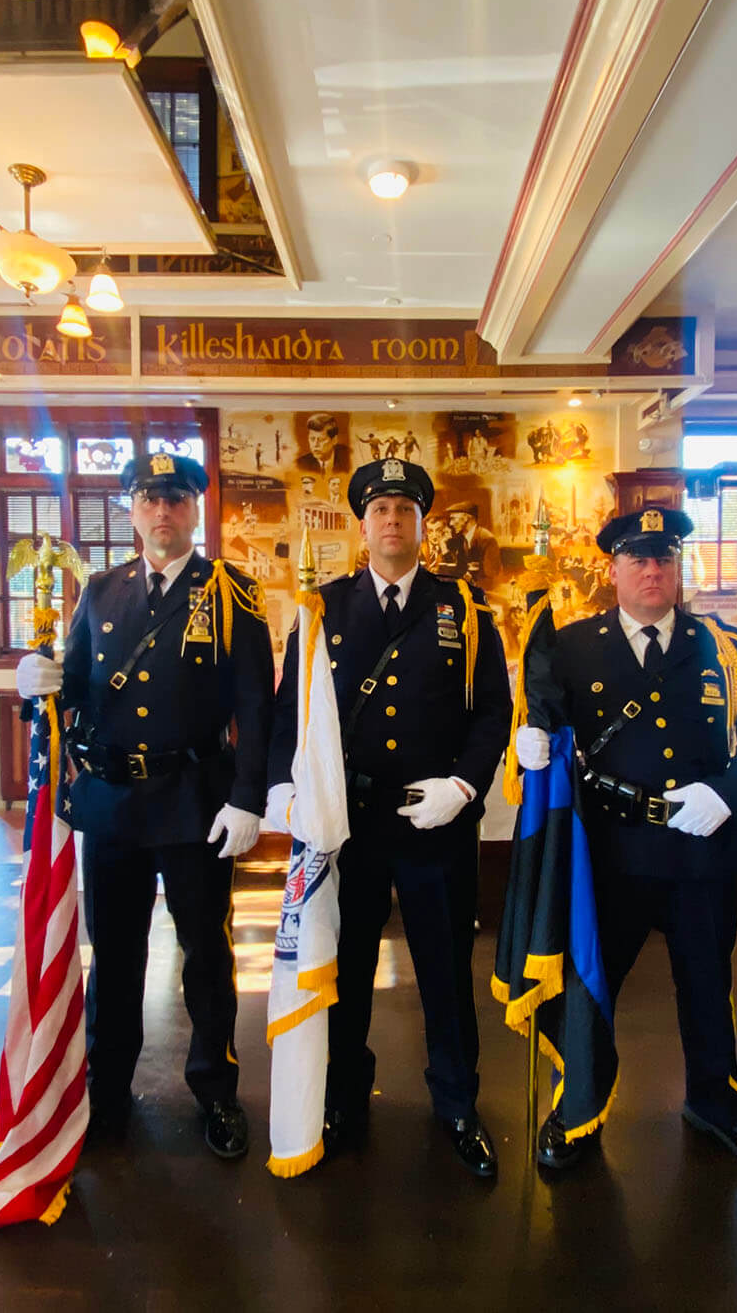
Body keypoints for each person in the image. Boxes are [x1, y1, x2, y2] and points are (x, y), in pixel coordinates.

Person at [512, 508, 737, 1173]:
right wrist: (528, 745)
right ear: (613, 570)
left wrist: (727, 794)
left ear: (677, 568)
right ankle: (578, 1106)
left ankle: (716, 1103)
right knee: (590, 986)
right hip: (610, 852)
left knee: (706, 984)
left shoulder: (722, 648)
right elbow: (546, 725)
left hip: (700, 850)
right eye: (638, 559)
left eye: (664, 558)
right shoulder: (574, 648)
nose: (653, 570)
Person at [17, 453, 272, 1160]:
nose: (162, 511)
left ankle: (215, 1089)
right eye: (149, 499)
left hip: (194, 802)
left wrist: (248, 798)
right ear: (132, 511)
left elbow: (256, 703)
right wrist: (39, 686)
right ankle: (108, 1090)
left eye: (176, 499)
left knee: (206, 956)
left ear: (195, 510)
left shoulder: (232, 593)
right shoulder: (99, 593)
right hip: (113, 805)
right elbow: (72, 694)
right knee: (116, 955)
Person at [264, 457, 512, 1178]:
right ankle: (343, 1099)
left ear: (422, 523)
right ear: (362, 524)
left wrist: (465, 787)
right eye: (380, 511)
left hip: (436, 827)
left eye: (405, 510)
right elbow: (290, 714)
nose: (393, 522)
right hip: (352, 826)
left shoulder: (463, 610)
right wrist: (284, 788)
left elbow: (492, 710)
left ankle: (458, 1104)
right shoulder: (323, 610)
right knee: (347, 968)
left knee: (444, 973)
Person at [443, 502, 503, 589]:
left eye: (453, 519)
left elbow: (492, 575)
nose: (451, 523)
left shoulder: (486, 539)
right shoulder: (461, 539)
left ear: (467, 518)